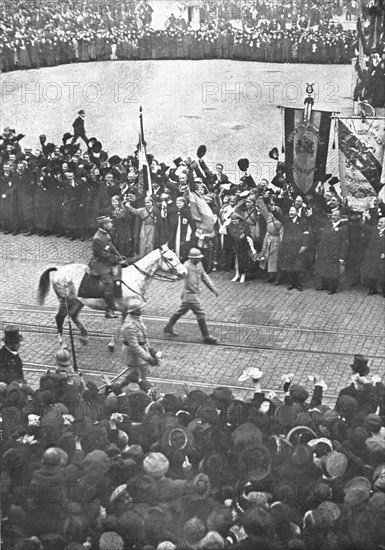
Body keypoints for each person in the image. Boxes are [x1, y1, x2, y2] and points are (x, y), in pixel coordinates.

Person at [163, 247, 219, 344]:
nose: (200, 259)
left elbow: (204, 276)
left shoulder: (199, 264)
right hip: (190, 295)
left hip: (193, 294)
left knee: (181, 311)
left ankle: (168, 327)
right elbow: (179, 275)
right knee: (200, 314)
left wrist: (213, 288)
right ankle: (206, 336)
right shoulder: (186, 266)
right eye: (198, 258)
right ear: (192, 258)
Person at [88, 215, 127, 318]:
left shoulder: (105, 235)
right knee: (109, 283)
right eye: (109, 223)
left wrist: (119, 255)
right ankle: (109, 310)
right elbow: (103, 255)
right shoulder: (98, 238)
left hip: (106, 261)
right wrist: (117, 259)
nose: (111, 224)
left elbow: (111, 247)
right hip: (99, 263)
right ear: (104, 225)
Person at [121, 304, 160, 391]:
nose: (141, 309)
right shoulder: (129, 326)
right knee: (135, 375)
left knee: (144, 370)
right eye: (139, 308)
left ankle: (145, 385)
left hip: (142, 350)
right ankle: (130, 389)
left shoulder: (138, 319)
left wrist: (150, 348)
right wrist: (149, 358)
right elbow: (135, 346)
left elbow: (144, 336)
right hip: (133, 354)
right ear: (134, 311)